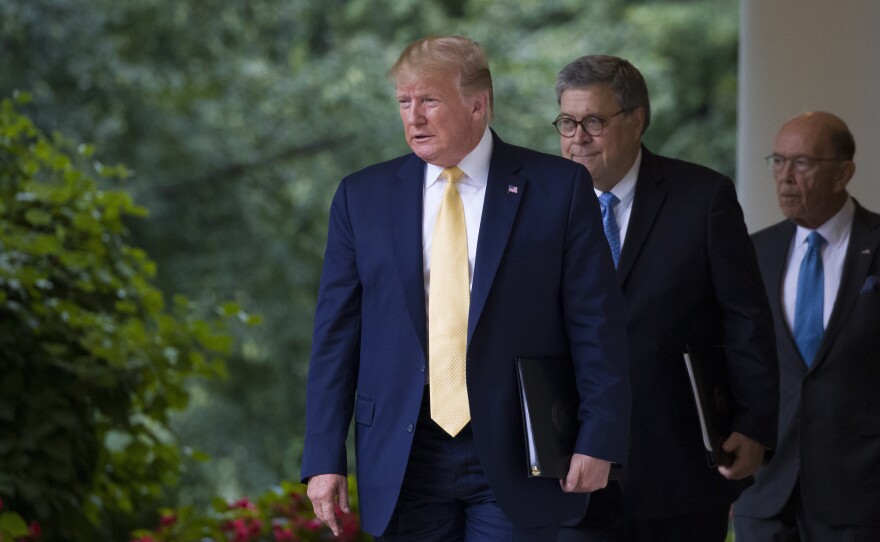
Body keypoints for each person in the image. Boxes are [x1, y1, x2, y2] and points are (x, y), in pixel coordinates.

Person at [300, 36, 631, 541]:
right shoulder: (361, 197)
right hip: (403, 450)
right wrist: (324, 456)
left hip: (520, 446)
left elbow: (596, 326)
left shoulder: (558, 188)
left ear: (478, 105)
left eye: (429, 100)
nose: (414, 117)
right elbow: (335, 337)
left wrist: (599, 437)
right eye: (404, 102)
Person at [552, 55, 779, 542]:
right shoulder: (540, 207)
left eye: (593, 121)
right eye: (567, 123)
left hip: (678, 473)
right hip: (570, 474)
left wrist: (755, 424)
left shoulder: (703, 197)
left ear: (637, 119)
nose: (577, 138)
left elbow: (747, 319)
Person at [733, 111, 880, 540]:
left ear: (843, 173)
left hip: (860, 496)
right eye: (777, 161)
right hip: (764, 492)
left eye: (802, 163)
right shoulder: (752, 252)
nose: (785, 177)